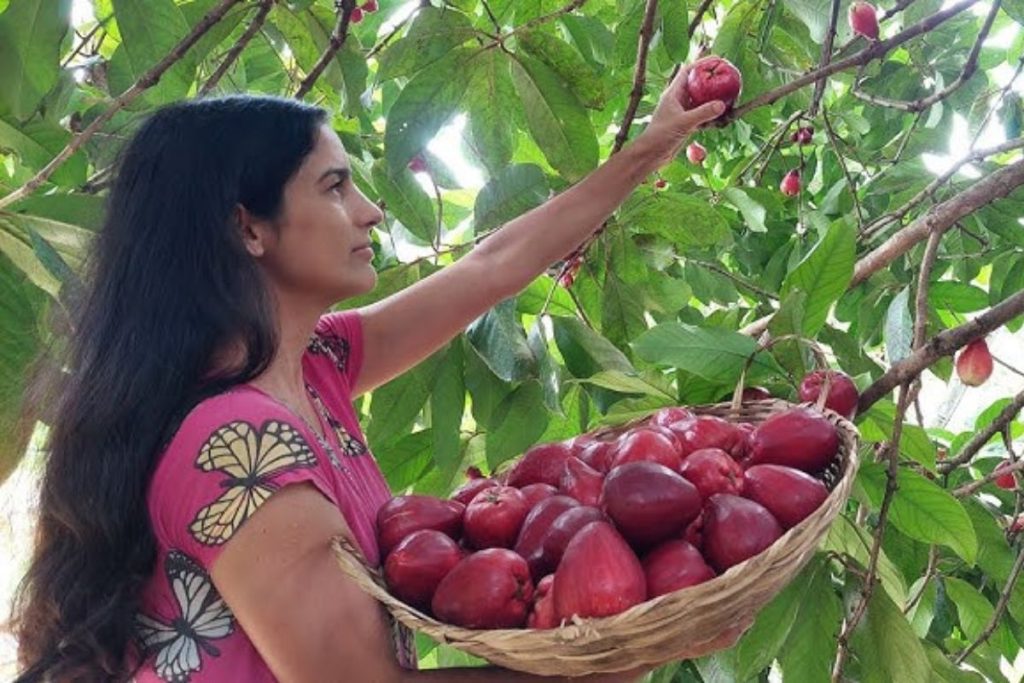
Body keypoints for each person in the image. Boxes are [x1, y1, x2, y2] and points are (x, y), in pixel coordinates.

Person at [10, 63, 733, 682]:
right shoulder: (235, 445)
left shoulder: (313, 365)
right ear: (247, 228)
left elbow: (493, 265)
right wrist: (619, 652)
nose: (373, 211)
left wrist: (658, 140)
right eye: (334, 187)